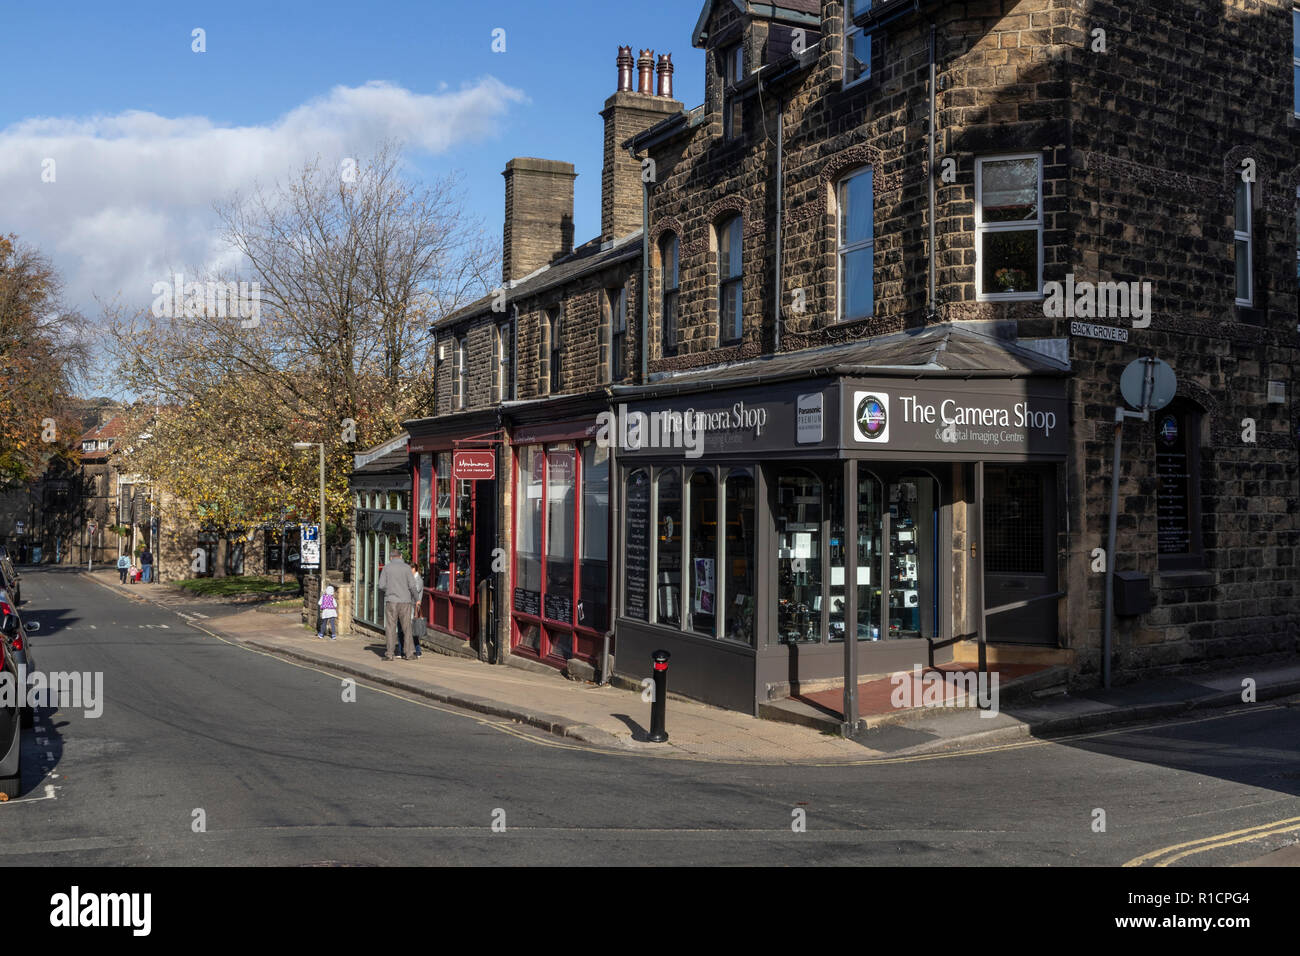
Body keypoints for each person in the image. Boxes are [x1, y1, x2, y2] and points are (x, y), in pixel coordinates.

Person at [377, 550, 416, 661]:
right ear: (401, 556)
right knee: (407, 628)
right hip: (405, 602)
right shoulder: (407, 568)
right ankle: (409, 654)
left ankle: (389, 654)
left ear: (391, 557)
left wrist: (390, 590)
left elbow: (381, 585)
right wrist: (417, 599)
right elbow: (412, 586)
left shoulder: (386, 568)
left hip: (391, 601)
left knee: (390, 628)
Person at [409, 562, 424, 659]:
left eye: (410, 569)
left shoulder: (418, 579)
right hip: (410, 605)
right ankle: (414, 649)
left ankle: (418, 650)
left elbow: (416, 590)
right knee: (411, 628)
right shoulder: (411, 578)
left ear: (414, 569)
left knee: (414, 629)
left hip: (414, 606)